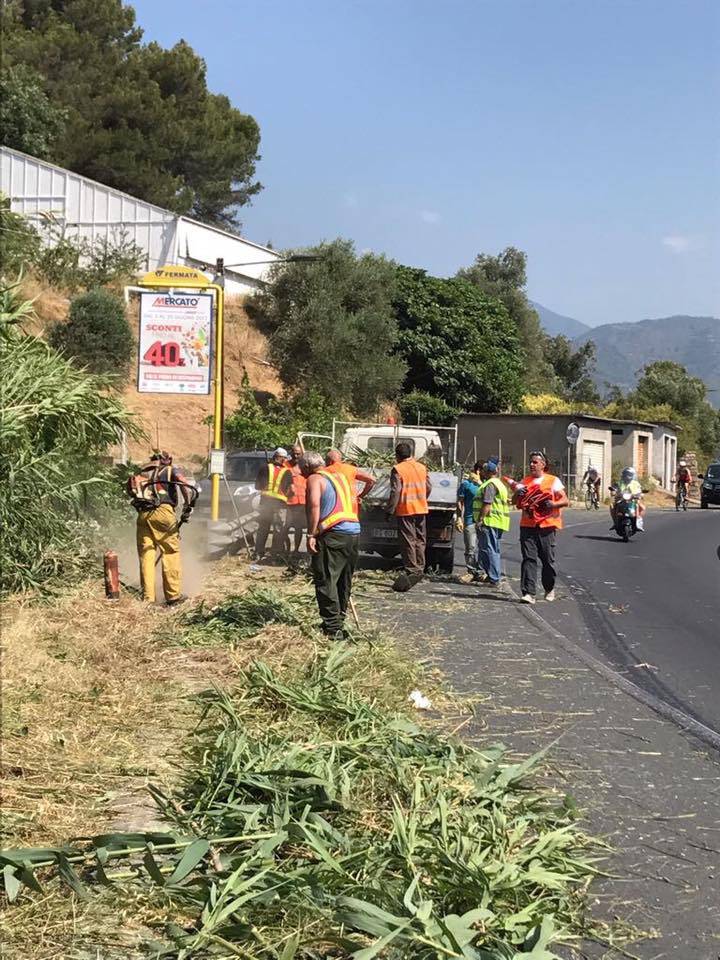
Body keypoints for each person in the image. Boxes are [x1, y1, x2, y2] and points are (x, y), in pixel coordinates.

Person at [302, 451, 360, 638]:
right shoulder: (340, 476)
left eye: (302, 470)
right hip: (353, 533)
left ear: (306, 468)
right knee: (344, 580)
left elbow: (314, 506)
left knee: (326, 579)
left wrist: (311, 534)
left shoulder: (315, 479)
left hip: (332, 534)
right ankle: (339, 620)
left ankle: (333, 628)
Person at [128, 451, 196, 606]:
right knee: (170, 552)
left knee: (147, 556)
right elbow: (184, 484)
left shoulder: (143, 472)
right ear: (168, 460)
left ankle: (148, 598)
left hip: (143, 515)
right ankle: (173, 596)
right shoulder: (171, 469)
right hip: (163, 512)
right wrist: (188, 505)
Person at [513, 451, 569, 604]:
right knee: (528, 559)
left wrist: (553, 504)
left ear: (543, 465)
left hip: (547, 526)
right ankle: (528, 593)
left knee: (547, 560)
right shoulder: (525, 481)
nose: (532, 464)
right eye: (530, 462)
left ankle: (549, 588)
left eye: (535, 462)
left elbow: (565, 500)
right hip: (528, 526)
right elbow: (516, 502)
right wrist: (517, 492)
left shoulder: (553, 481)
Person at [387, 442, 432, 591]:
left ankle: (412, 570)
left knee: (408, 540)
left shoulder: (398, 469)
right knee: (420, 540)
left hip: (406, 509)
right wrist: (422, 498)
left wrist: (389, 510)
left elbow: (395, 491)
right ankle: (420, 568)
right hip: (421, 507)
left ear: (397, 456)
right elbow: (428, 487)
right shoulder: (421, 467)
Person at [473, 460, 510, 587]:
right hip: (498, 521)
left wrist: (480, 519)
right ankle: (492, 576)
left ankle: (494, 578)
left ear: (487, 472)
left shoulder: (490, 485)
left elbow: (487, 503)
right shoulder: (499, 483)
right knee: (492, 549)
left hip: (489, 521)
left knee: (490, 549)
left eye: (483, 470)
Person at [254, 447, 293, 560]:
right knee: (278, 529)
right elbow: (291, 490)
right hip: (280, 505)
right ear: (281, 458)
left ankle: (258, 552)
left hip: (265, 503)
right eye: (284, 458)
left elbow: (257, 486)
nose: (285, 460)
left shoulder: (264, 468)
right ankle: (275, 553)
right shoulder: (287, 472)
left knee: (263, 528)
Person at [324, 448, 376, 514]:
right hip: (351, 509)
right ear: (340, 460)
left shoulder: (324, 471)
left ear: (329, 462)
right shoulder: (351, 469)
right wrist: (360, 496)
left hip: (332, 510)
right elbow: (372, 480)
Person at [456, 462, 482, 582]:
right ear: (478, 471)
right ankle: (471, 571)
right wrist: (459, 518)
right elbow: (460, 501)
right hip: (470, 519)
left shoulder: (487, 484)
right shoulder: (466, 484)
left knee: (484, 548)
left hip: (484, 521)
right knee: (470, 547)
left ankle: (481, 571)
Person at [284, 444, 307, 555]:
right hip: (287, 502)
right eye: (294, 453)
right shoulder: (285, 465)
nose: (296, 455)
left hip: (302, 503)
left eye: (298, 454)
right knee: (285, 527)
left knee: (299, 527)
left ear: (302, 454)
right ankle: (285, 549)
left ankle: (296, 550)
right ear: (290, 453)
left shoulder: (306, 466)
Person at [610, 466, 645, 530]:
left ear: (633, 475)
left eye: (630, 474)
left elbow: (640, 491)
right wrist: (613, 491)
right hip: (621, 499)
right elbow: (614, 489)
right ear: (623, 474)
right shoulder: (619, 483)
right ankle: (615, 522)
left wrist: (641, 494)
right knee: (612, 506)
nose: (628, 476)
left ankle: (638, 522)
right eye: (626, 474)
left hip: (633, 500)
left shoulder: (636, 484)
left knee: (642, 507)